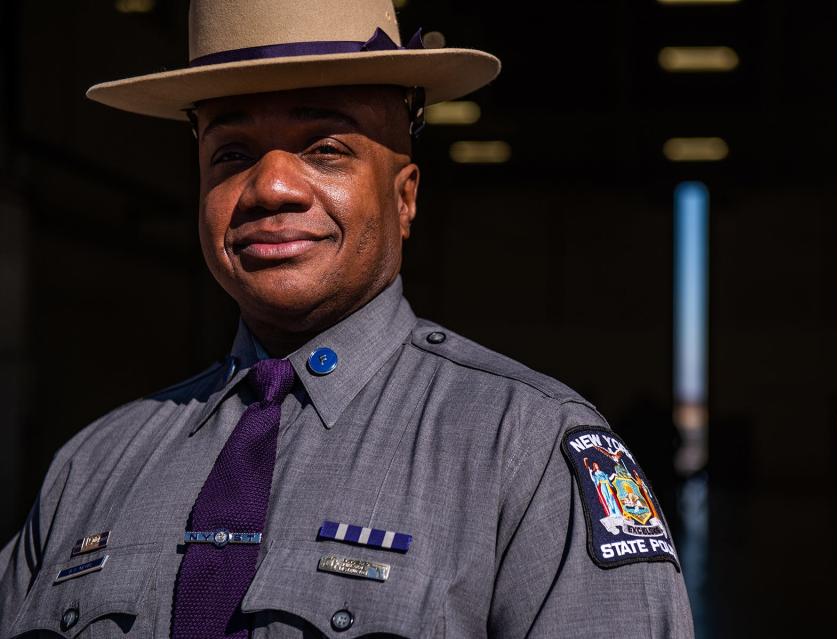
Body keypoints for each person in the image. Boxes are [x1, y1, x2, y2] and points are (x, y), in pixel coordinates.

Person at [0, 0, 694, 636]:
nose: (270, 187)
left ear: (405, 196)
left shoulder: (526, 452)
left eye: (325, 148)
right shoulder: (89, 466)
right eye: (232, 154)